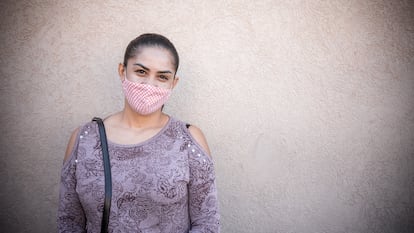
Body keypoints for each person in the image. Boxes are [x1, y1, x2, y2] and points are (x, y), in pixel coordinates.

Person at [57, 33, 220, 232]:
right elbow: (69, 222)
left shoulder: (188, 140)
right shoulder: (84, 139)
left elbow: (207, 223)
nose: (150, 85)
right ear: (122, 71)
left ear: (173, 83)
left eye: (162, 76)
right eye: (141, 72)